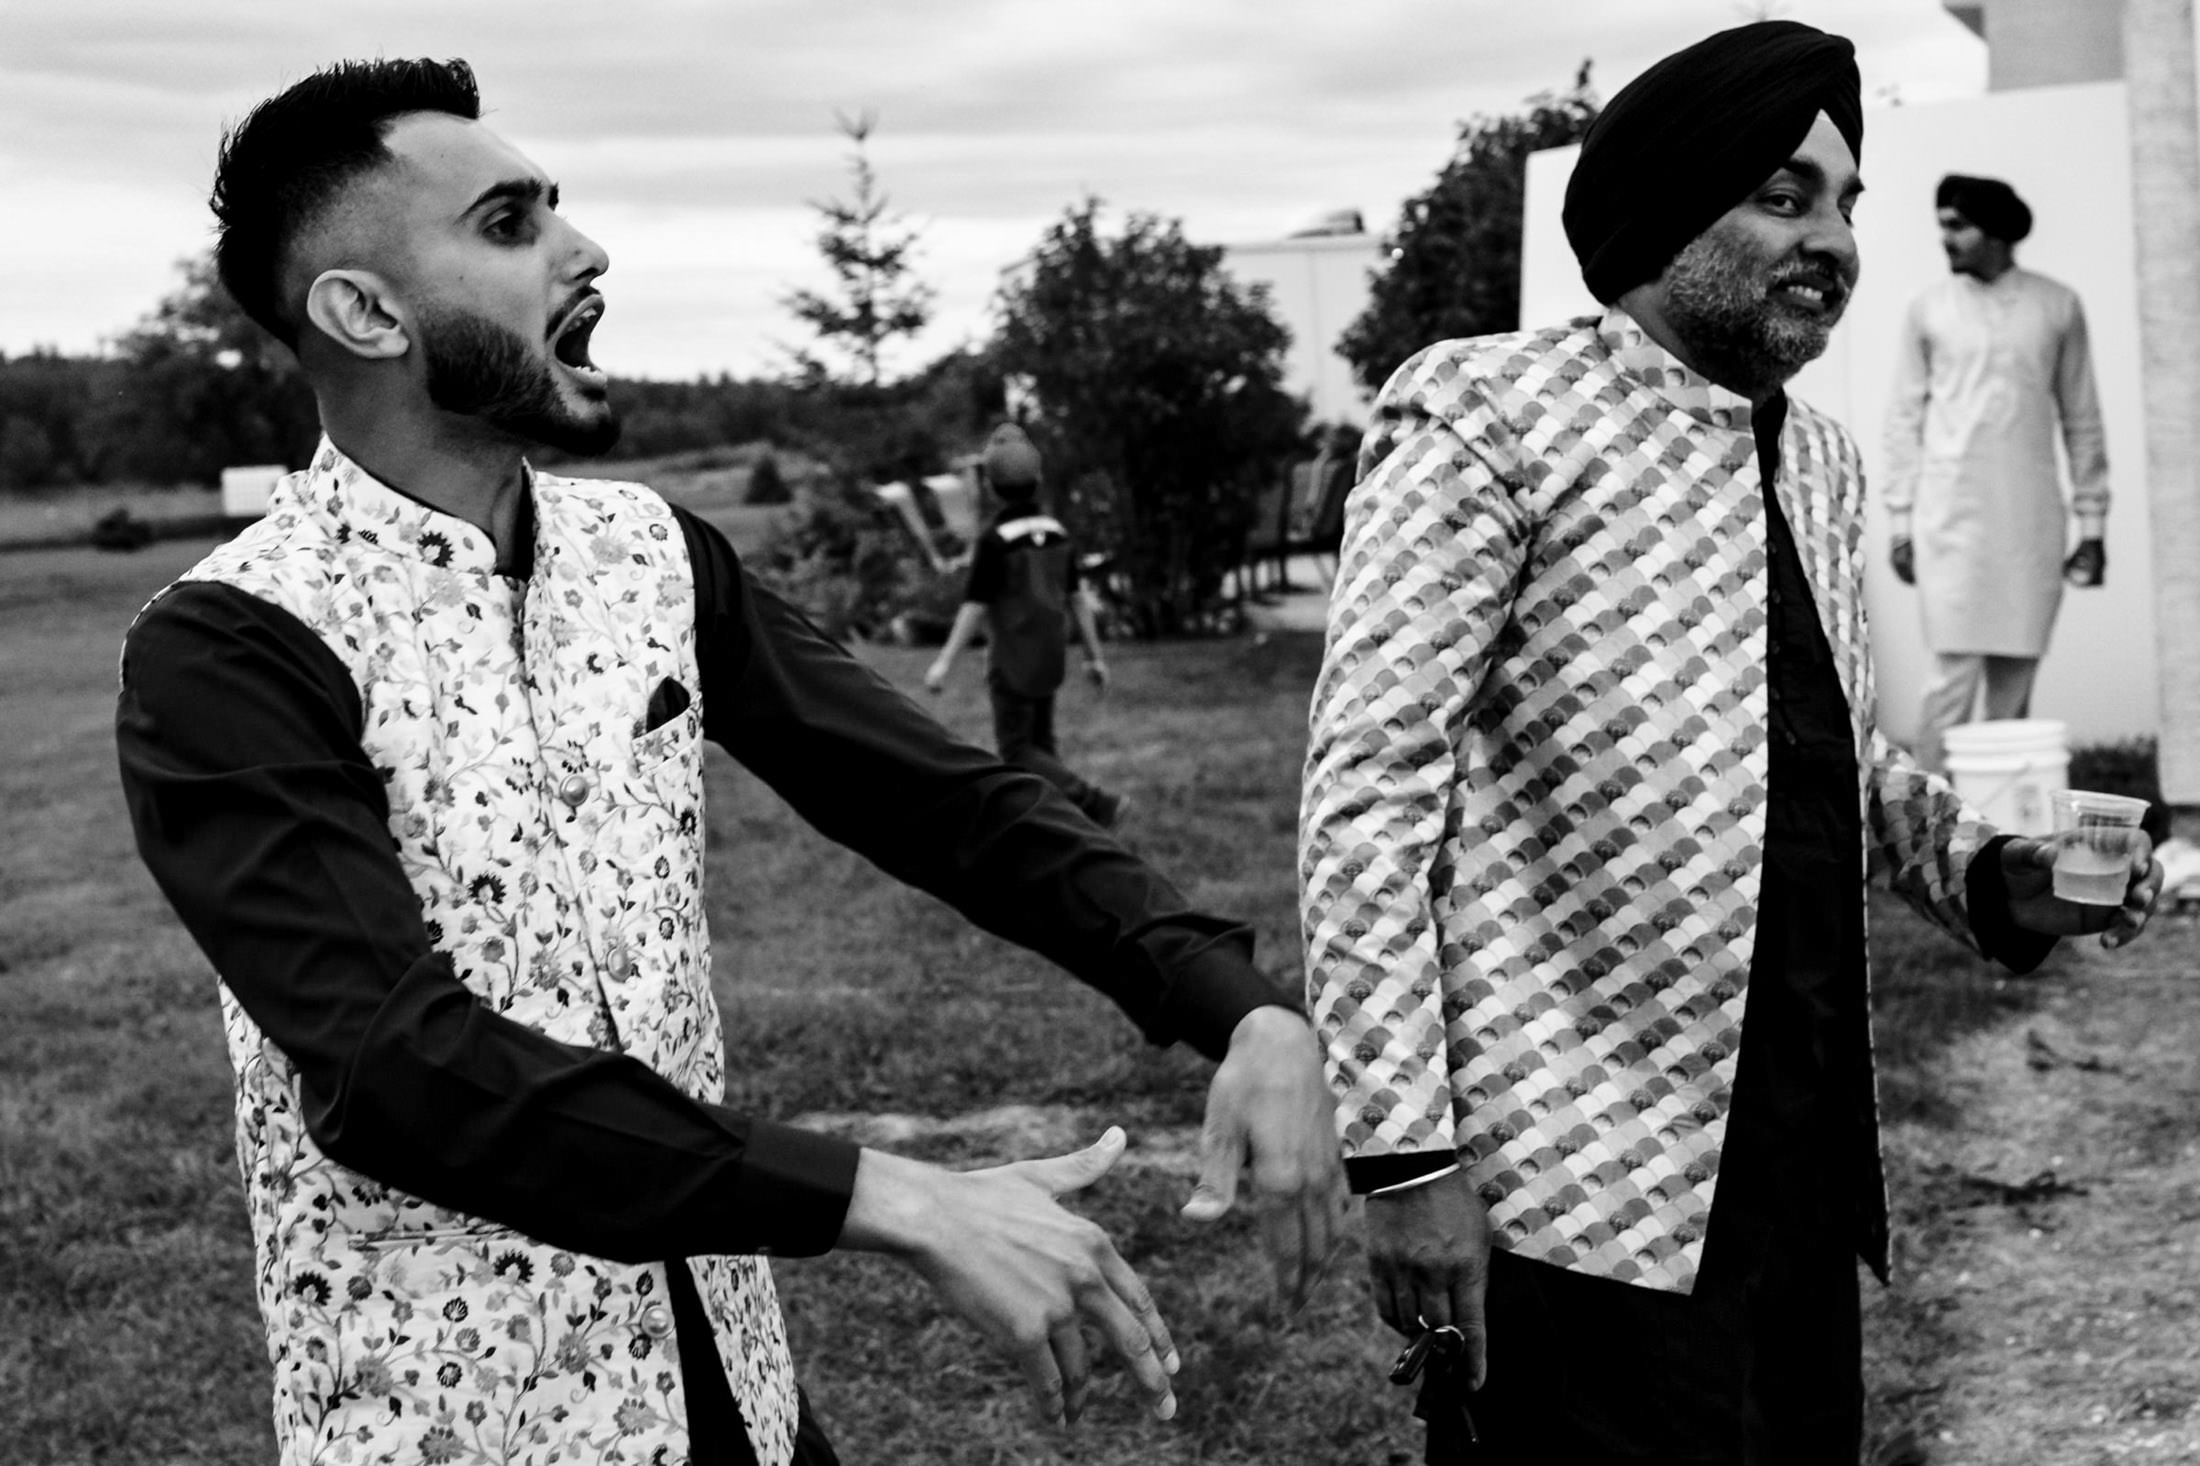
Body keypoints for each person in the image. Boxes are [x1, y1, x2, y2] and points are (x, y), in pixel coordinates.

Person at [114, 59, 1342, 1466]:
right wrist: (894, 1196)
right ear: (366, 308)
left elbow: (941, 799)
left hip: (733, 1385)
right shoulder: (228, 649)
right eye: (512, 225)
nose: (587, 253)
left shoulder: (647, 556)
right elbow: (407, 1071)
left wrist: (1233, 999)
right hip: (465, 1418)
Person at [1298, 21, 2165, 1465]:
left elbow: (1827, 763)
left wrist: (1998, 872)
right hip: (1577, 1190)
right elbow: (1369, 796)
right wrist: (1406, 1152)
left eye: (1844, 201)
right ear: (1662, 210)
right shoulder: (1488, 415)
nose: (1830, 236)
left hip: (1795, 1171)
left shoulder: (1816, 457)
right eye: (1783, 193)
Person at [1883, 173, 2111, 771]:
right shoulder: (1928, 309)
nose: (1946, 238)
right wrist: (1900, 520)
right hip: (1948, 519)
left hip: (2029, 522)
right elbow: (1903, 418)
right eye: (1942, 226)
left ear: (1997, 230)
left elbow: (2082, 417)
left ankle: (1997, 832)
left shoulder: (2056, 305)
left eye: (1958, 225)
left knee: (2014, 691)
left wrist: (2093, 526)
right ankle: (1922, 828)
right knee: (1948, 684)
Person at [924, 423, 1125, 828]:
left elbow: (974, 607)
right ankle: (1058, 822)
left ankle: (1095, 805)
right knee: (1042, 746)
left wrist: (944, 662)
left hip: (1012, 662)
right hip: (1050, 656)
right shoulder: (1057, 533)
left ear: (991, 486)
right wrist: (1094, 657)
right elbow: (1077, 598)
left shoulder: (996, 541)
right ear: (1038, 479)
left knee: (1017, 750)